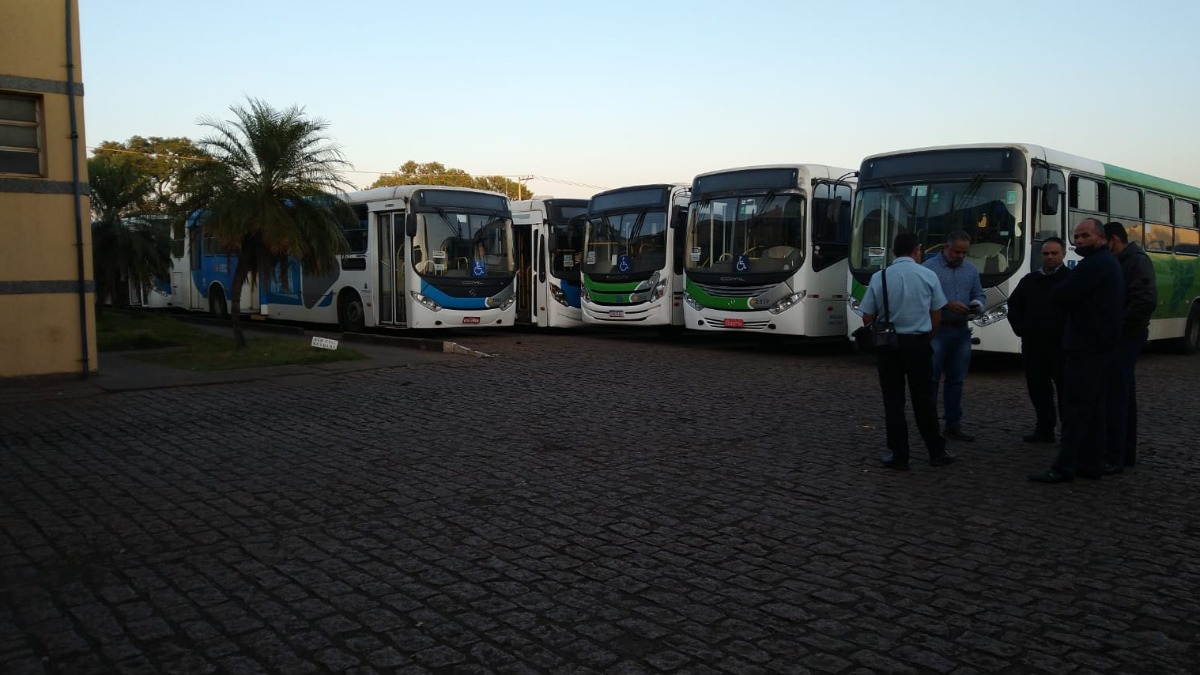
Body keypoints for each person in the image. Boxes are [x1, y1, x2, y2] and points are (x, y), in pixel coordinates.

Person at [1029, 218, 1124, 483]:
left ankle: (1064, 466)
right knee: (1092, 410)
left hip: (1087, 346)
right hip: (1097, 345)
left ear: (1102, 237)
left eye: (1085, 236)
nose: (1079, 241)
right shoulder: (1104, 263)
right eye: (1076, 236)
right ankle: (1089, 464)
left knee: (1076, 409)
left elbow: (1062, 293)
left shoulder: (1096, 264)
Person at [860, 232, 957, 471]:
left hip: (888, 346)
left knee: (893, 401)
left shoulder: (879, 277)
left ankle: (899, 454)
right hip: (918, 343)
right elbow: (937, 313)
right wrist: (928, 336)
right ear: (917, 250)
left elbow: (867, 315)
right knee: (924, 399)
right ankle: (936, 451)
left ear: (893, 251)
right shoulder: (928, 275)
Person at [1103, 221, 1157, 472]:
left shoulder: (1136, 261)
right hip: (1120, 335)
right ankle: (1121, 452)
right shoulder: (1122, 260)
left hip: (1127, 336)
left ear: (1114, 240)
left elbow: (1144, 301)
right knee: (1120, 393)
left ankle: (1118, 455)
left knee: (1119, 394)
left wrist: (1116, 324)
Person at [923, 230, 986, 441]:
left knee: (956, 380)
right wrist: (946, 304)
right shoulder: (928, 269)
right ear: (946, 248)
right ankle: (929, 425)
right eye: (957, 252)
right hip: (937, 330)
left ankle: (953, 423)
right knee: (931, 379)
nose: (960, 256)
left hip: (961, 331)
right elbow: (921, 299)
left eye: (964, 253)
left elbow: (979, 294)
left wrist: (977, 305)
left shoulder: (970, 269)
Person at [1006, 237, 1071, 443]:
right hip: (1034, 346)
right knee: (1038, 389)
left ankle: (1069, 433)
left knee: (1066, 392)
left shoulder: (1071, 279)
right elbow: (1013, 305)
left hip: (1062, 347)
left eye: (1054, 253)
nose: (1050, 257)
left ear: (1063, 254)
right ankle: (1044, 429)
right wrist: (1021, 330)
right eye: (1046, 254)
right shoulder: (1030, 280)